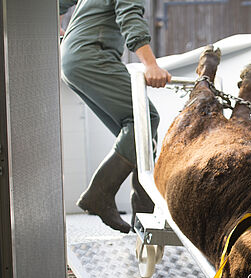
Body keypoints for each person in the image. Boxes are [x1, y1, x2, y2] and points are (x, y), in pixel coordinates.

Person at [59, 0, 171, 233]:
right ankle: (99, 194)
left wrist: (60, 31)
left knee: (141, 135)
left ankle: (145, 218)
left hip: (74, 58)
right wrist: (150, 64)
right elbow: (129, 15)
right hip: (92, 55)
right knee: (146, 120)